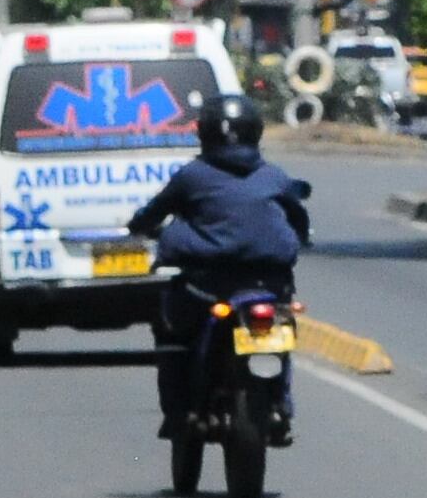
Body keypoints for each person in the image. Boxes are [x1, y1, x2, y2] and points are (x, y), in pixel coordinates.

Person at [127, 95, 313, 442]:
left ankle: (178, 413)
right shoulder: (273, 176)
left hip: (207, 286)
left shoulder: (192, 176)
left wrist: (137, 227)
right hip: (269, 283)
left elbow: (153, 213)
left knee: (171, 331)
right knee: (282, 333)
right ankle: (280, 404)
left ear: (205, 133)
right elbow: (299, 221)